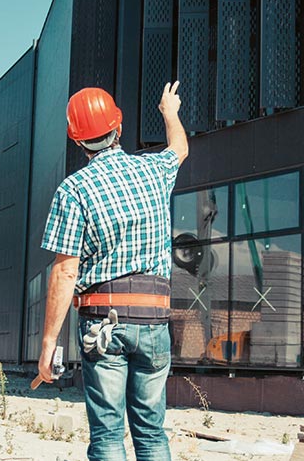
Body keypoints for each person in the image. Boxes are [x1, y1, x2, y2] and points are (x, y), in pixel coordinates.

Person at [35, 82, 189, 461]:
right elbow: (180, 149)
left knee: (107, 435)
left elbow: (65, 272)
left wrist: (48, 344)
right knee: (152, 432)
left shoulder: (74, 190)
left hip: (103, 321)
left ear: (77, 141)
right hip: (154, 318)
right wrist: (170, 112)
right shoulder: (153, 170)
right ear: (117, 128)